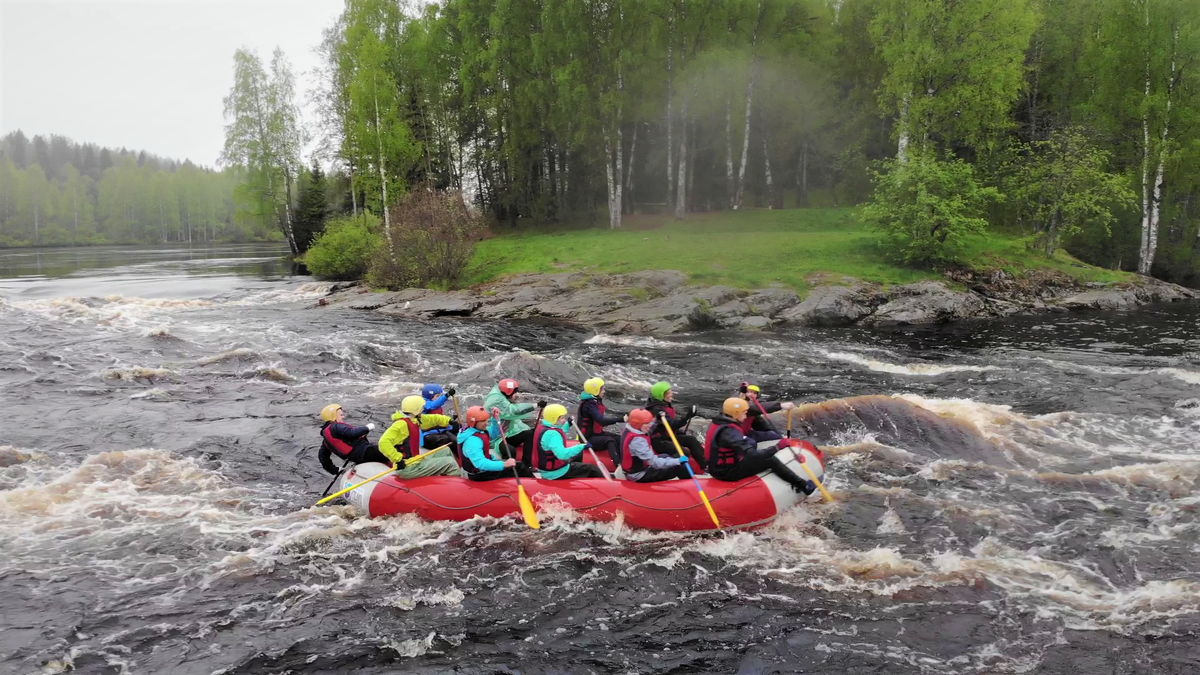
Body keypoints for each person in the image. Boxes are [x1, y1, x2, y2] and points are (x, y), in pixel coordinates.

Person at [705, 397, 815, 494]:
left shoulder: (720, 422)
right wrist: (777, 447)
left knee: (754, 448)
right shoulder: (730, 433)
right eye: (744, 413)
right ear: (736, 414)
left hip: (716, 468)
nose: (745, 417)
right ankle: (803, 486)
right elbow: (752, 455)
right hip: (726, 472)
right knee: (770, 460)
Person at [378, 395, 462, 478]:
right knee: (450, 463)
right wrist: (398, 459)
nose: (423, 409)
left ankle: (446, 477)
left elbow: (433, 419)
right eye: (421, 408)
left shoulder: (414, 419)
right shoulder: (401, 425)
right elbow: (383, 443)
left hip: (415, 460)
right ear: (416, 410)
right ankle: (452, 487)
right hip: (408, 467)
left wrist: (448, 421)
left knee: (445, 450)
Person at [457, 405, 536, 481]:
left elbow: (494, 434)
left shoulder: (476, 430)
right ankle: (535, 487)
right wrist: (503, 465)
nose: (486, 423)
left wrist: (495, 419)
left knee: (515, 465)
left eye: (486, 420)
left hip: (483, 470)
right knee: (520, 467)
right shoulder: (472, 441)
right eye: (482, 421)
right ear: (473, 422)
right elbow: (480, 463)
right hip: (480, 475)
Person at [317, 404, 394, 475]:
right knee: (395, 450)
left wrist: (335, 470)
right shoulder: (335, 426)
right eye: (341, 415)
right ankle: (403, 468)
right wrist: (367, 428)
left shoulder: (326, 441)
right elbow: (352, 432)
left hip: (359, 459)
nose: (343, 417)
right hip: (367, 452)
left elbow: (323, 457)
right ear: (333, 417)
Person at [532, 404, 605, 479]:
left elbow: (559, 433)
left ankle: (579, 475)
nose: (564, 420)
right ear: (554, 419)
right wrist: (581, 446)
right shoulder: (552, 435)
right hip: (556, 473)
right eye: (562, 418)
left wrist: (568, 424)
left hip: (549, 468)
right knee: (593, 469)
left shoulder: (544, 426)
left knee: (579, 454)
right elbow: (562, 455)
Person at [644, 381, 705, 469]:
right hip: (657, 441)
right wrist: (687, 417)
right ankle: (672, 471)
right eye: (669, 393)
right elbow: (671, 425)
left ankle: (706, 466)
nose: (672, 394)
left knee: (690, 440)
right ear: (661, 396)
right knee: (683, 452)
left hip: (667, 437)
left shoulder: (662, 404)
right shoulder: (657, 410)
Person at [620, 408, 691, 483]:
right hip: (640, 475)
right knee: (680, 467)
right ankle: (689, 485)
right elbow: (654, 463)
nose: (649, 426)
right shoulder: (637, 442)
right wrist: (678, 461)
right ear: (638, 424)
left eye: (649, 423)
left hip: (641, 467)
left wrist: (657, 418)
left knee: (665, 456)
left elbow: (649, 429)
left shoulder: (631, 428)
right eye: (646, 423)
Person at [484, 378, 544, 463]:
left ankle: (527, 464)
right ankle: (507, 467)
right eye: (514, 392)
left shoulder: (503, 396)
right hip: (495, 439)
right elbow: (514, 411)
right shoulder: (497, 402)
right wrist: (535, 405)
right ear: (508, 392)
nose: (516, 394)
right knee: (511, 451)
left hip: (507, 434)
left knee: (530, 434)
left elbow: (515, 418)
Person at [577, 377, 626, 465]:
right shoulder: (589, 405)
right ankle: (618, 465)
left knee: (619, 438)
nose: (604, 391)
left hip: (596, 434)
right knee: (610, 441)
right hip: (587, 439)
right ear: (595, 391)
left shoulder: (594, 401)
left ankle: (625, 461)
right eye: (602, 389)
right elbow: (602, 421)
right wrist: (622, 419)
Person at [421, 383, 460, 455]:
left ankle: (463, 458)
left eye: (440, 396)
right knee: (445, 440)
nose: (439, 398)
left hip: (440, 430)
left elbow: (441, 419)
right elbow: (434, 405)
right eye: (437, 396)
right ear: (430, 396)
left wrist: (451, 421)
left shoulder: (436, 405)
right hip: (428, 434)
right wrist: (446, 395)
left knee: (457, 431)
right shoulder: (424, 404)